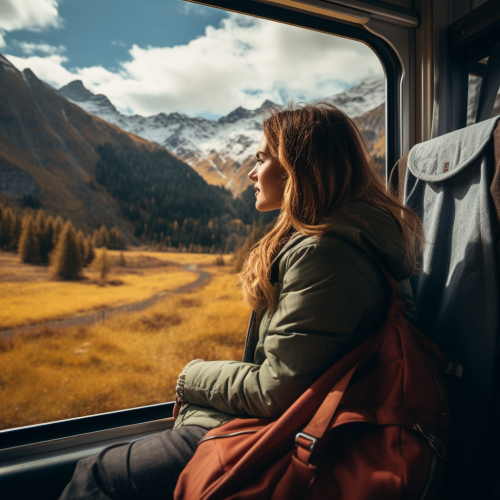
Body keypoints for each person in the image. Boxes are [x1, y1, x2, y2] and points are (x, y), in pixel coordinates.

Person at [59, 103, 423, 500]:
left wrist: (191, 376)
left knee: (95, 475)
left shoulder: (326, 254)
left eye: (262, 158)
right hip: (300, 421)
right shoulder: (344, 241)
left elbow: (275, 391)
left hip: (290, 433)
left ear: (299, 169)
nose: (252, 171)